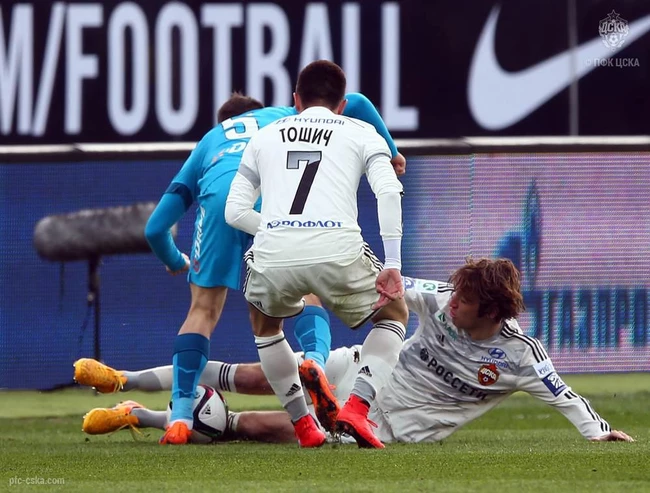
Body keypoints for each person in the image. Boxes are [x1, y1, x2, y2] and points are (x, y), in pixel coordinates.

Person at [73, 89, 405, 445]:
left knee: (202, 312)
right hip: (274, 202)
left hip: (220, 203)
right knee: (305, 286)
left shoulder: (210, 141)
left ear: (223, 121)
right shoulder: (280, 119)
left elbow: (155, 228)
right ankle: (315, 362)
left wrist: (176, 260)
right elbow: (357, 101)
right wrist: (392, 152)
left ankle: (179, 417)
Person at [79, 258, 633, 444]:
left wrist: (599, 431)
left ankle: (138, 412)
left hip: (396, 421)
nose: (452, 302)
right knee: (255, 378)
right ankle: (126, 380)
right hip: (365, 375)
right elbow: (395, 287)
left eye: (464, 301)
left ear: (491, 313)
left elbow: (565, 396)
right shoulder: (443, 298)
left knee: (248, 422)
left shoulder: (521, 355)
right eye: (455, 293)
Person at [225, 60, 409, 448]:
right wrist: (392, 262)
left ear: (296, 100)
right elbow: (389, 191)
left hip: (274, 253)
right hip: (338, 250)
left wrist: (278, 228)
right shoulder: (361, 131)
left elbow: (235, 212)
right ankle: (357, 408)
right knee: (394, 315)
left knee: (265, 325)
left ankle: (303, 424)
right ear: (342, 105)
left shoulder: (264, 136)